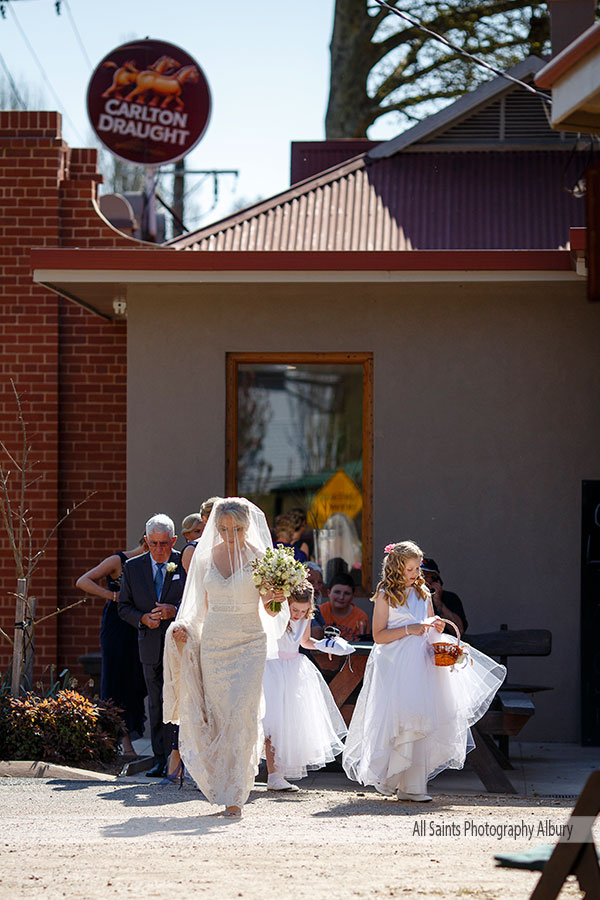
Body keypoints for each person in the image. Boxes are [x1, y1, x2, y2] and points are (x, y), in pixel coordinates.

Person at [343, 541, 505, 802]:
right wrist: (410, 628)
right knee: (400, 721)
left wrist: (436, 627)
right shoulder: (386, 594)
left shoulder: (423, 593)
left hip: (421, 664)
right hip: (396, 666)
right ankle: (392, 777)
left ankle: (414, 786)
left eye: (418, 568)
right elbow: (379, 635)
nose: (416, 574)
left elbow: (430, 628)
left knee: (421, 721)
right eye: (411, 569)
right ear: (396, 567)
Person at [163, 497, 289, 818]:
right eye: (223, 528)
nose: (230, 534)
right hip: (215, 644)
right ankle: (222, 785)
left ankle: (236, 793)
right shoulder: (205, 558)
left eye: (236, 528)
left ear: (247, 526)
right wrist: (185, 631)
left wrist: (277, 597)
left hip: (249, 643)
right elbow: (197, 609)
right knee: (218, 716)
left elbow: (271, 609)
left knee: (239, 715)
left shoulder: (261, 558)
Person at [262, 580, 348, 791]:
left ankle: (278, 774)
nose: (299, 615)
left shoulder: (304, 618)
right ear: (287, 604)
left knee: (289, 724)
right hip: (272, 668)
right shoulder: (277, 615)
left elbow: (305, 642)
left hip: (294, 668)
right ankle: (269, 773)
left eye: (303, 610)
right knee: (270, 723)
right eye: (295, 610)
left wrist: (325, 645)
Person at [118, 514, 186, 778]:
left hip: (179, 644)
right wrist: (143, 619)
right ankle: (161, 758)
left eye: (165, 544)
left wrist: (175, 611)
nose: (160, 550)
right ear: (146, 541)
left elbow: (199, 602)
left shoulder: (185, 563)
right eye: (154, 544)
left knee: (181, 700)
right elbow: (123, 607)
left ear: (173, 540)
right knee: (157, 702)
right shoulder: (133, 568)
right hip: (149, 644)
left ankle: (180, 757)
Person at [75, 539, 148, 756]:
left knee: (138, 680)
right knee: (117, 680)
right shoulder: (119, 560)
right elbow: (83, 581)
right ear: (145, 542)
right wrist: (112, 595)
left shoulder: (150, 564)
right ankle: (124, 744)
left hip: (139, 624)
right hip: (117, 626)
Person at [421, 557, 469, 635]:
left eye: (425, 576)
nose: (421, 580)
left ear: (435, 579)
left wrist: (438, 602)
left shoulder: (450, 598)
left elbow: (459, 630)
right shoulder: (407, 598)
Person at [320, 572, 369, 642]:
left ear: (353, 596)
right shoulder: (319, 612)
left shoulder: (361, 617)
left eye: (347, 593)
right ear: (328, 593)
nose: (341, 597)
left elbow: (363, 644)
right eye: (337, 592)